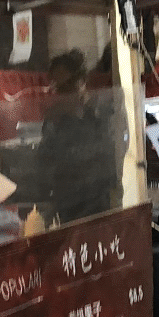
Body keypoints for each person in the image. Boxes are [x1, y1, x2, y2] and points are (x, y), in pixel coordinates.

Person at [35, 49, 121, 225]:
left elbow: (114, 156)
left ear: (82, 81)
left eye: (68, 86)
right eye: (58, 88)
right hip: (70, 208)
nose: (64, 94)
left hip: (102, 203)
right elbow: (45, 165)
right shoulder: (54, 121)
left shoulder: (100, 114)